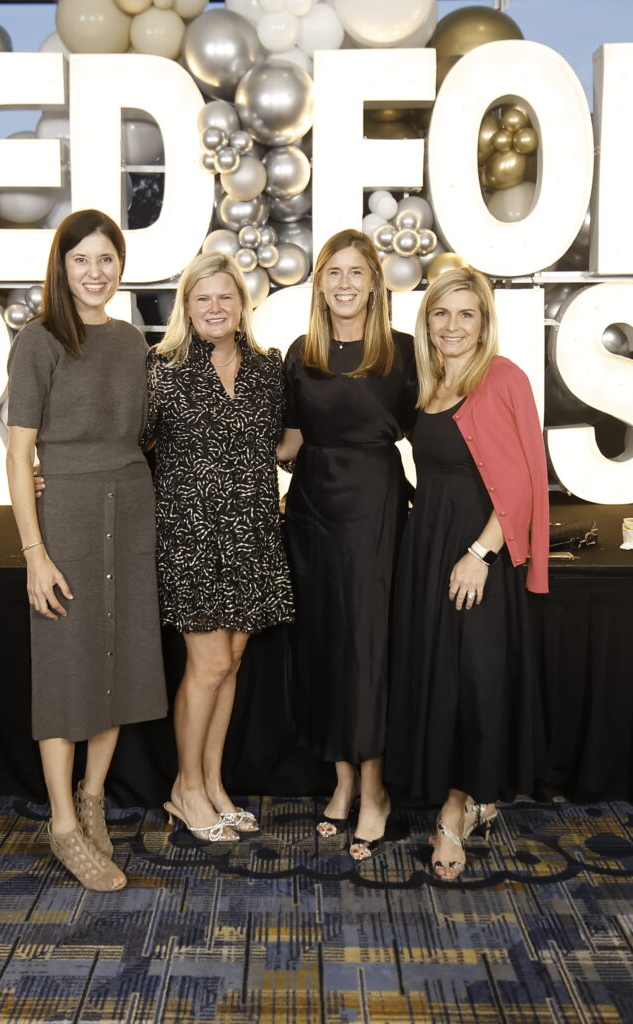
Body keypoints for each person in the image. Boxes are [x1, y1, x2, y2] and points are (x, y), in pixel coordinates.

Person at [6, 209, 167, 891]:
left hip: (131, 506)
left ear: (120, 266)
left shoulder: (132, 341)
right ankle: (65, 823)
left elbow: (145, 434)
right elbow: (18, 455)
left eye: (106, 259)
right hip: (65, 514)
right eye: (81, 260)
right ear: (61, 267)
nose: (95, 272)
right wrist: (34, 550)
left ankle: (96, 796)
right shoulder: (37, 341)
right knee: (66, 665)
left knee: (120, 659)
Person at [385, 266, 549, 881]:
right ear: (426, 321)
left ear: (484, 323)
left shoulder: (503, 378)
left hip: (478, 554)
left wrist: (480, 554)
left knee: (472, 683)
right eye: (441, 314)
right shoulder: (425, 383)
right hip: (427, 547)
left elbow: (524, 483)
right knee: (439, 675)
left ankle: (454, 813)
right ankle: (471, 798)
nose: (452, 326)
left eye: (466, 315)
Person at [277, 229, 418, 861]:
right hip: (311, 511)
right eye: (333, 273)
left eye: (356, 273)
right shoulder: (299, 353)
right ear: (320, 283)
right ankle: (340, 784)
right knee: (327, 645)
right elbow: (288, 442)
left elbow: (439, 429)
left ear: (375, 284)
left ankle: (376, 790)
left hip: (376, 510)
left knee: (368, 650)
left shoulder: (405, 354)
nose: (344, 284)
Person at [146, 252, 294, 843]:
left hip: (253, 531)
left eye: (225, 297)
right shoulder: (163, 368)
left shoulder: (266, 368)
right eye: (202, 298)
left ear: (242, 305)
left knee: (230, 664)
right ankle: (185, 789)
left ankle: (211, 783)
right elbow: (129, 444)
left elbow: (284, 443)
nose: (215, 308)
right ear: (187, 305)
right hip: (190, 535)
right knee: (206, 664)